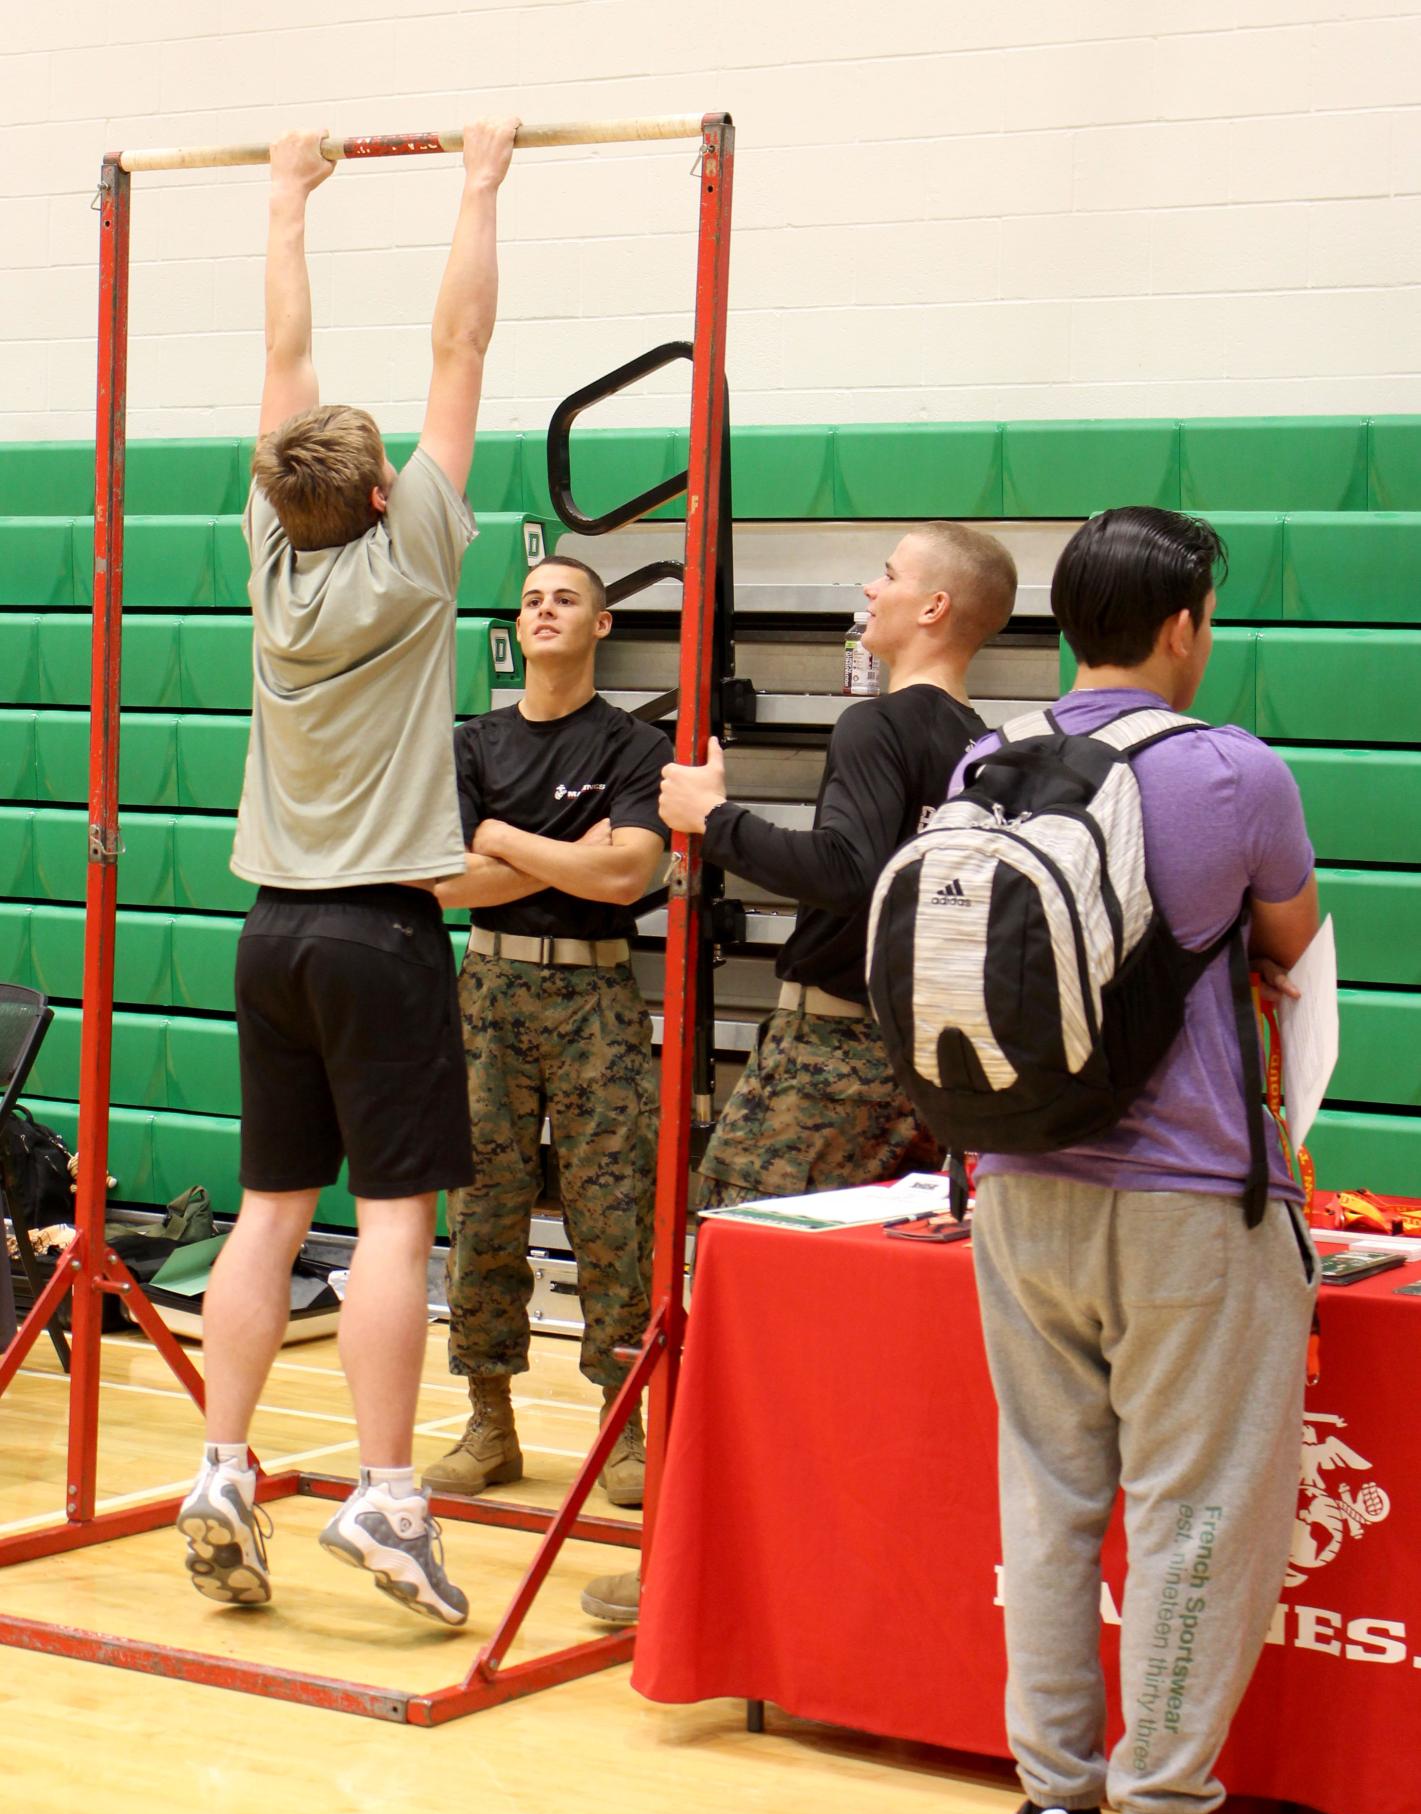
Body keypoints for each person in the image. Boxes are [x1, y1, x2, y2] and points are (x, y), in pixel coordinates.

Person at [176, 119, 520, 1629]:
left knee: (267, 1209)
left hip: (270, 933)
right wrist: (480, 179)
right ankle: (387, 1499)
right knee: (391, 1223)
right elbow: (460, 338)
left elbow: (283, 362)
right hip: (379, 934)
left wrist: (286, 200)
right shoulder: (416, 552)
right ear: (383, 493)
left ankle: (220, 1471)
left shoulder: (272, 553)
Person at [967, 508, 1320, 1814]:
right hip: (1186, 1204)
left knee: (1047, 1502)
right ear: (1184, 626)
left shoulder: (985, 760)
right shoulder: (1234, 772)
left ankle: (1055, 1813)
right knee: (1196, 1510)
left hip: (1015, 1190)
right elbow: (1291, 945)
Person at [579, 521, 1018, 1624]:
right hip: (926, 1060)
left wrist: (707, 819)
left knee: (717, 1276)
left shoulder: (878, 723)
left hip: (831, 1053)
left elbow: (847, 874)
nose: (864, 589)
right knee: (864, 1310)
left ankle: (687, 1565)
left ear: (932, 610)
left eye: (886, 574)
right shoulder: (980, 744)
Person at [422, 556, 670, 1513]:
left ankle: (624, 1429)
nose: (544, 610)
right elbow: (442, 883)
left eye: (566, 597)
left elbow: (627, 880)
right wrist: (578, 854)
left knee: (614, 1220)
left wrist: (507, 843)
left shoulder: (635, 745)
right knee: (482, 1210)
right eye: (531, 600)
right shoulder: (472, 743)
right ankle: (490, 1423)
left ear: (601, 624)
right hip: (484, 988)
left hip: (595, 998)